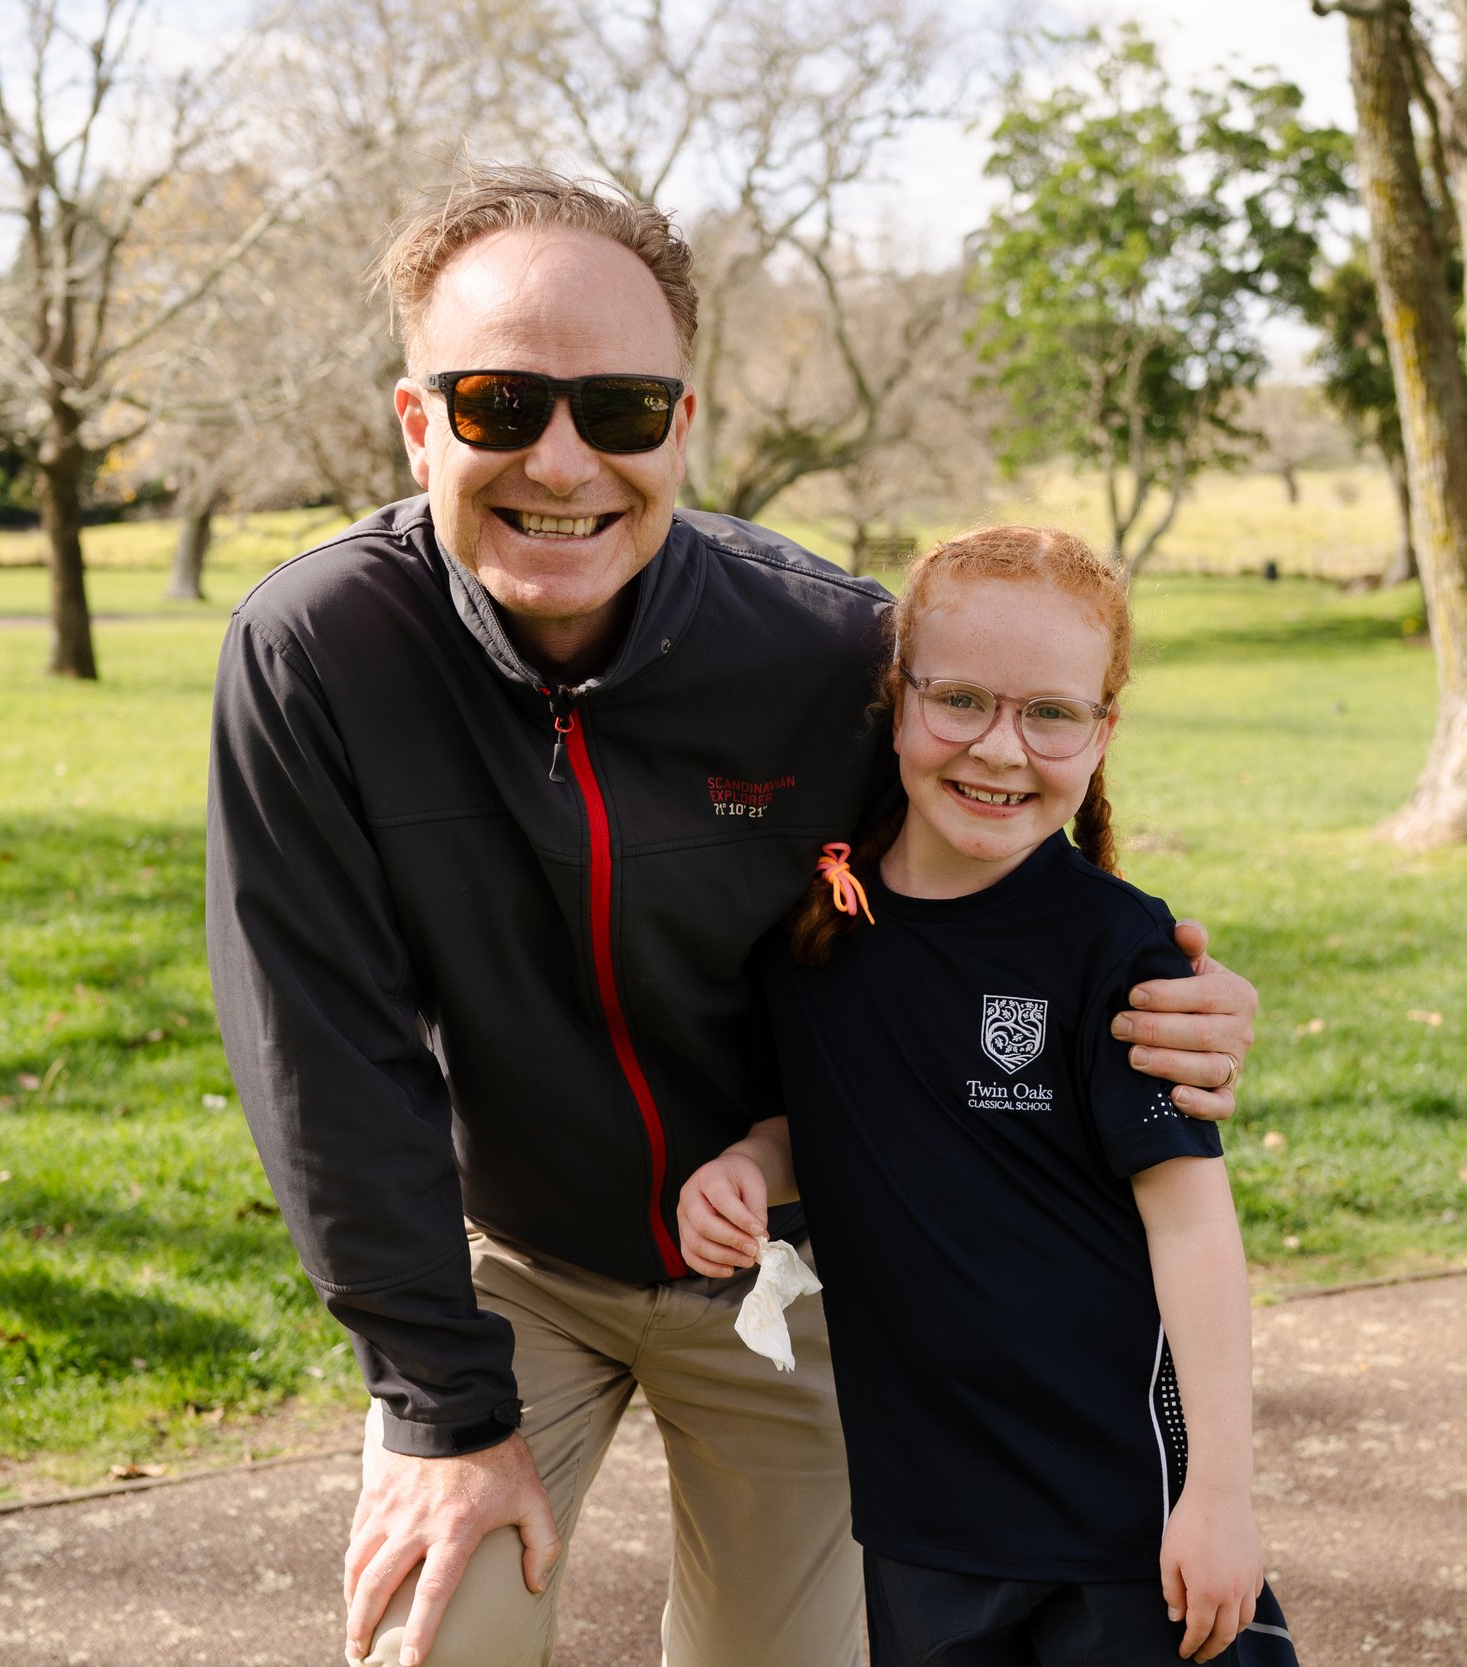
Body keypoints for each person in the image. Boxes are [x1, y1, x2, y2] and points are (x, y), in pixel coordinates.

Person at [204, 165, 1261, 1667]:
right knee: (438, 1644)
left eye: (620, 409)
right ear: (418, 419)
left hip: (796, 1270)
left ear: (682, 424)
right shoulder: (318, 649)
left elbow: (985, 856)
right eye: (500, 403)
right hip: (512, 1271)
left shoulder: (828, 649)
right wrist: (442, 1407)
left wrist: (1161, 992)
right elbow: (325, 1058)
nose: (562, 461)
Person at [677, 526, 1294, 1666]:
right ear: (897, 700)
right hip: (923, 1517)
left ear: (1101, 730)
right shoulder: (818, 932)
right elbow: (813, 1129)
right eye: (959, 699)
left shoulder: (1117, 948)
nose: (1001, 749)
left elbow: (1191, 1220)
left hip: (1121, 1512)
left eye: (1050, 713)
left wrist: (1221, 1491)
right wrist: (745, 1173)